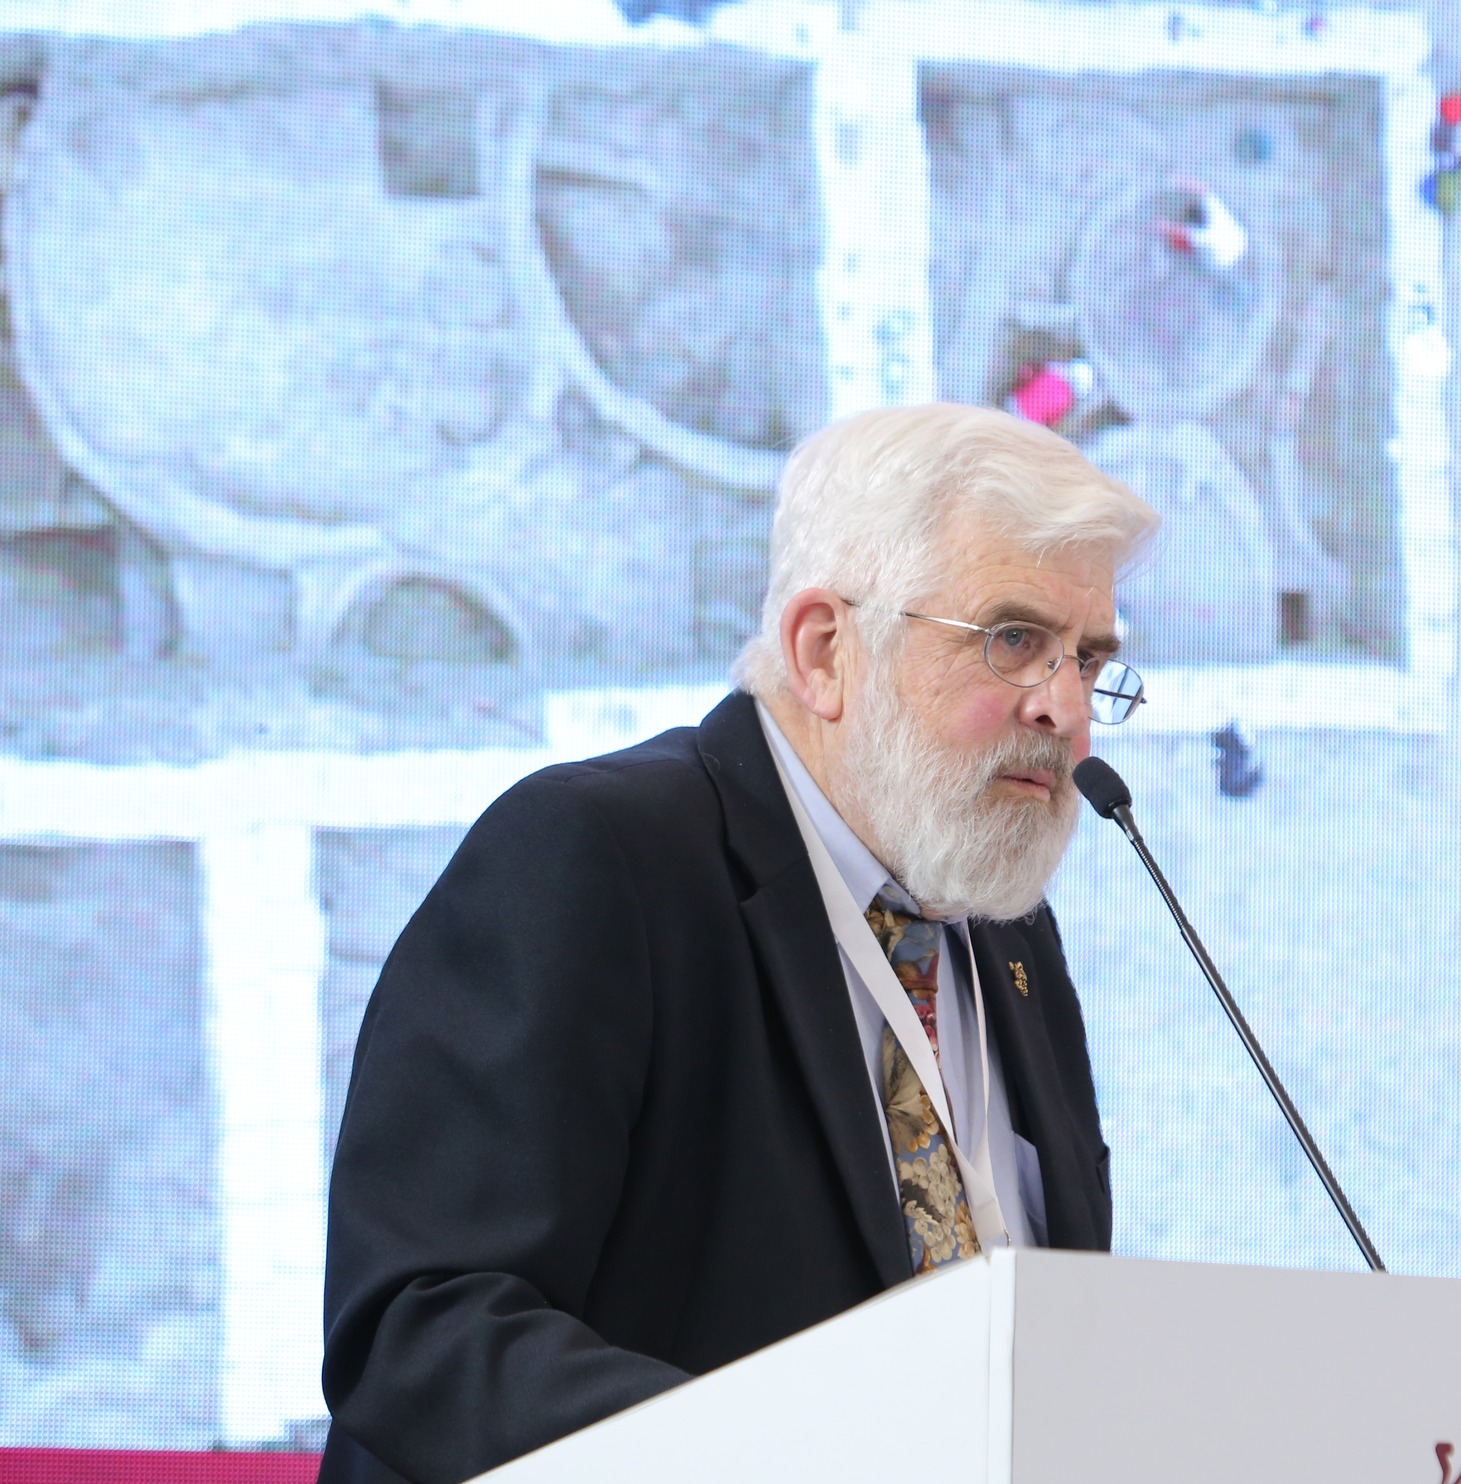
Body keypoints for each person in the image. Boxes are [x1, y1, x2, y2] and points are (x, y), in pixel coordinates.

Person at [318, 403, 1161, 1483]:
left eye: (1088, 659)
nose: (1066, 710)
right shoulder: (600, 855)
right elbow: (421, 1327)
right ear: (825, 651)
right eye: (1013, 641)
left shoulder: (1001, 922)